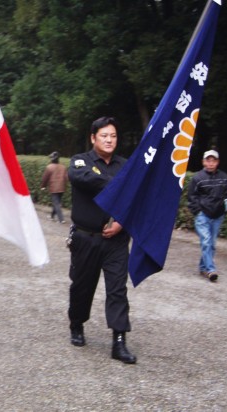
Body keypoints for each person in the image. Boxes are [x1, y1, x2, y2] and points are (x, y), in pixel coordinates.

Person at [67, 116, 136, 364]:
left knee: (117, 289)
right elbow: (82, 178)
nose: (109, 140)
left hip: (116, 241)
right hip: (86, 238)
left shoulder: (126, 165)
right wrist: (120, 184)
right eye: (104, 135)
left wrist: (121, 222)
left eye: (113, 136)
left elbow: (135, 199)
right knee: (81, 287)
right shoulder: (79, 161)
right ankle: (76, 323)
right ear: (93, 138)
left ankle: (119, 341)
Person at [187, 149, 227, 282]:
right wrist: (198, 211)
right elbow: (192, 197)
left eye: (213, 160)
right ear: (203, 162)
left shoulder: (224, 177)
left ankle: (203, 267)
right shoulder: (197, 178)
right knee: (206, 241)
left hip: (218, 215)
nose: (211, 163)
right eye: (208, 160)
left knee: (211, 244)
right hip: (203, 216)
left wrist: (225, 208)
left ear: (217, 162)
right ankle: (211, 269)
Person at [40, 151, 68, 223]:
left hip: (54, 188)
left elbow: (45, 178)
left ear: (51, 159)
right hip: (62, 188)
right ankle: (52, 216)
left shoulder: (49, 167)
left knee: (56, 203)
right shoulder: (63, 167)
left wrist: (43, 186)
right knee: (56, 202)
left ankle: (61, 219)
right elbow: (66, 178)